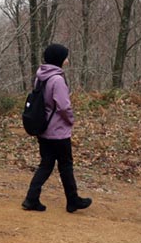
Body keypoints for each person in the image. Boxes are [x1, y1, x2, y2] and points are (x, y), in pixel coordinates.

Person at [22, 43, 92, 213]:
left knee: (46, 164)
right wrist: (71, 120)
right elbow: (63, 106)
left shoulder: (40, 76)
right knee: (66, 165)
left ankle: (31, 198)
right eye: (65, 57)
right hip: (58, 131)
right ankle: (72, 200)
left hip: (43, 128)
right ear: (59, 59)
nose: (67, 60)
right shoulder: (57, 79)